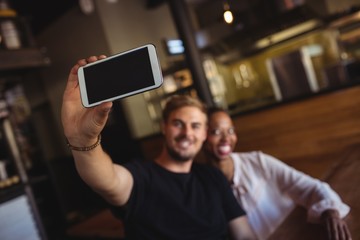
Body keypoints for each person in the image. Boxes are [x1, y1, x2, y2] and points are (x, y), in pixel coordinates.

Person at [61, 55, 256, 240]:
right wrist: (82, 140)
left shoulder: (213, 178)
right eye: (178, 123)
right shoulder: (142, 178)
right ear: (164, 127)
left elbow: (244, 234)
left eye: (195, 126)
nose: (187, 133)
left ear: (204, 133)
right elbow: (107, 181)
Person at [203, 107, 352, 240]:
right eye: (216, 132)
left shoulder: (257, 162)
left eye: (230, 131)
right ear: (202, 135)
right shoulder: (201, 185)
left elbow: (310, 187)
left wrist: (330, 212)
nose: (226, 139)